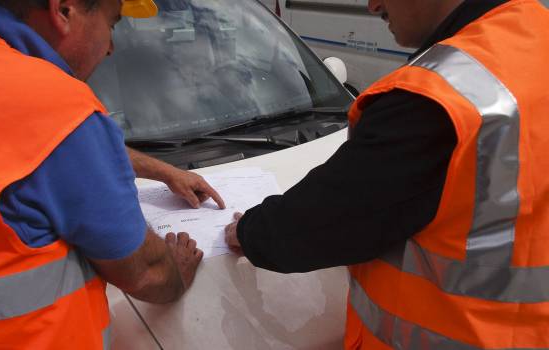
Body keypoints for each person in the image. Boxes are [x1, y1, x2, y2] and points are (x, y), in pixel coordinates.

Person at [225, 0, 549, 348]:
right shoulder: (534, 30)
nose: (372, 5)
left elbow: (327, 218)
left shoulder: (438, 99)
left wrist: (248, 231)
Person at [0, 0, 225, 348]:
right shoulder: (59, 108)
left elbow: (14, 144)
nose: (110, 48)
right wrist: (177, 270)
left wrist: (161, 170)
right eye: (112, 23)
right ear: (64, 11)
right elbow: (147, 273)